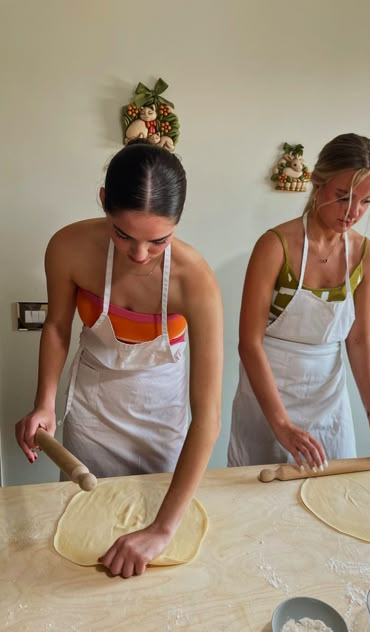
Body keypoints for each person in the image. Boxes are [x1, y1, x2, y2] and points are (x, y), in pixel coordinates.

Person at [15, 140, 223, 577]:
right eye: (123, 234)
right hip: (93, 408)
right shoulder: (69, 246)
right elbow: (56, 327)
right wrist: (46, 402)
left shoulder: (196, 281)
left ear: (178, 224)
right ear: (105, 202)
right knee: (86, 532)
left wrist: (163, 530)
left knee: (152, 547)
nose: (140, 255)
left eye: (159, 241)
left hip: (160, 413)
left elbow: (207, 418)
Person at [228, 133, 370, 470]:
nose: (353, 212)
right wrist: (281, 424)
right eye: (343, 197)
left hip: (328, 398)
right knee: (261, 497)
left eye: (366, 201)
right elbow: (249, 343)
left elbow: (359, 340)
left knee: (331, 495)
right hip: (269, 396)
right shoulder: (275, 246)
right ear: (317, 184)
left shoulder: (366, 256)